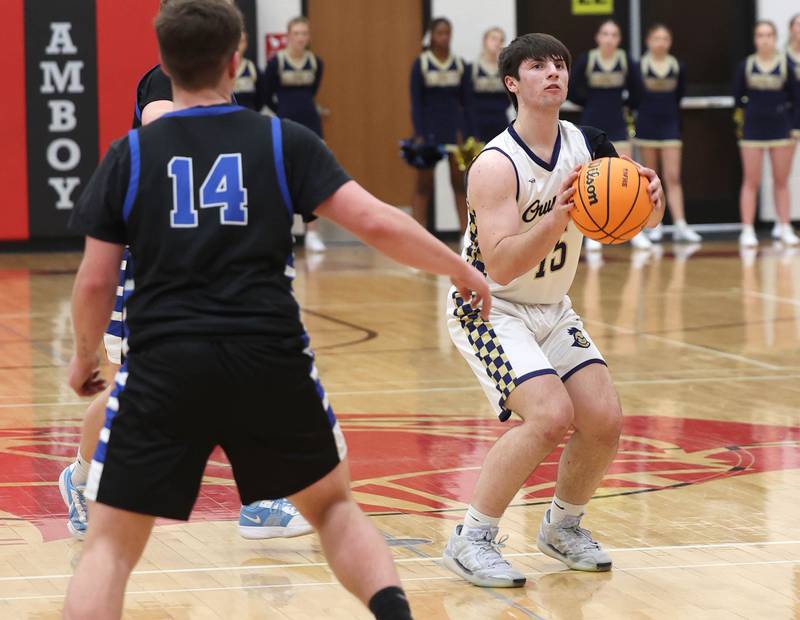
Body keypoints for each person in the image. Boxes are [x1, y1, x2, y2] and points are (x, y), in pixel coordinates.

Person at [62, 1, 490, 617]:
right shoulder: (281, 139)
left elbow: (96, 281)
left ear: (163, 63)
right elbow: (375, 221)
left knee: (108, 547)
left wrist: (85, 357)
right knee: (336, 511)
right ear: (237, 59)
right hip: (268, 358)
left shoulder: (128, 156)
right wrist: (459, 268)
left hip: (164, 365)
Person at [58, 1, 315, 544]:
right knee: (130, 389)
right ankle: (80, 479)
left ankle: (260, 501)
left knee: (245, 370)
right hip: (158, 263)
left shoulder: (225, 93)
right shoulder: (164, 81)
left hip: (215, 260)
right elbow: (160, 125)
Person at [441, 32, 664, 588]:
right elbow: (500, 267)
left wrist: (650, 201)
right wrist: (557, 218)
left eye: (560, 64)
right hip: (488, 309)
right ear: (513, 83)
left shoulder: (588, 143)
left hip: (552, 308)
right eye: (538, 66)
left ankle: (562, 526)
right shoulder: (494, 164)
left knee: (604, 420)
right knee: (547, 416)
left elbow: (630, 219)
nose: (553, 73)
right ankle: (471, 538)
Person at [569, 20, 651, 251]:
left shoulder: (625, 61)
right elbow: (573, 90)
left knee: (627, 175)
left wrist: (624, 105)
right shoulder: (587, 59)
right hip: (591, 122)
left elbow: (639, 92)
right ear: (598, 37)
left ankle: (635, 230)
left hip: (617, 123)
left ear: (618, 39)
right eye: (605, 33)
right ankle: (590, 232)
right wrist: (590, 104)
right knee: (589, 179)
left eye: (613, 34)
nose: (609, 38)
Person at [263, 16, 326, 252]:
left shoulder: (316, 62)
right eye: (296, 33)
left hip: (311, 122)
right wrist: (282, 112)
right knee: (283, 176)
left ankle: (312, 233)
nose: (301, 38)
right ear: (288, 36)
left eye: (304, 33)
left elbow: (313, 91)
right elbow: (267, 94)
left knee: (312, 177)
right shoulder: (276, 62)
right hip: (285, 122)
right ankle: (284, 231)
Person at [633, 24, 701, 243]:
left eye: (665, 38)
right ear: (648, 41)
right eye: (656, 38)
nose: (660, 42)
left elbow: (679, 94)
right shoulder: (639, 66)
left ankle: (681, 224)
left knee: (673, 177)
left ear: (670, 42)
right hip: (646, 125)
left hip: (670, 125)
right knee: (651, 178)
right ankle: (655, 224)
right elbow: (635, 96)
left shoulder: (677, 66)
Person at [734, 20, 798, 248]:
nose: (765, 39)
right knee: (751, 181)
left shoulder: (785, 66)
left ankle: (784, 225)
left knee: (781, 181)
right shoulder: (746, 65)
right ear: (755, 39)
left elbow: (795, 98)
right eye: (760, 35)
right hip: (752, 131)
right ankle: (748, 228)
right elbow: (737, 97)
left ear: (775, 38)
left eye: (769, 35)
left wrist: (793, 127)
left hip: (780, 129)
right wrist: (743, 123)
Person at [409, 17, 474, 232]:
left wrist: (464, 133)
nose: (444, 37)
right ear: (431, 35)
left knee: (459, 184)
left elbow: (467, 103)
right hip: (428, 131)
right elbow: (416, 103)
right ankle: (418, 237)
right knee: (423, 186)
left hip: (454, 131)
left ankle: (466, 237)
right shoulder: (421, 63)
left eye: (447, 33)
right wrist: (419, 133)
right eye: (440, 33)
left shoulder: (460, 64)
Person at [780, 14, 800, 240]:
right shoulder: (783, 58)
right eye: (798, 24)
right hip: (791, 122)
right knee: (783, 176)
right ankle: (782, 222)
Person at [470, 27, 510, 143]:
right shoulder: (473, 68)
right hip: (478, 124)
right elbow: (467, 101)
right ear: (484, 41)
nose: (497, 43)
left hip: (500, 122)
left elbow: (509, 98)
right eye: (493, 39)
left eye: (501, 40)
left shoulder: (505, 70)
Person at [233, 32, 262, 111]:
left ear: (246, 44)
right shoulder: (219, 69)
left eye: (241, 41)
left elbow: (262, 94)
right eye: (234, 41)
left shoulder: (252, 68)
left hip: (248, 114)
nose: (237, 45)